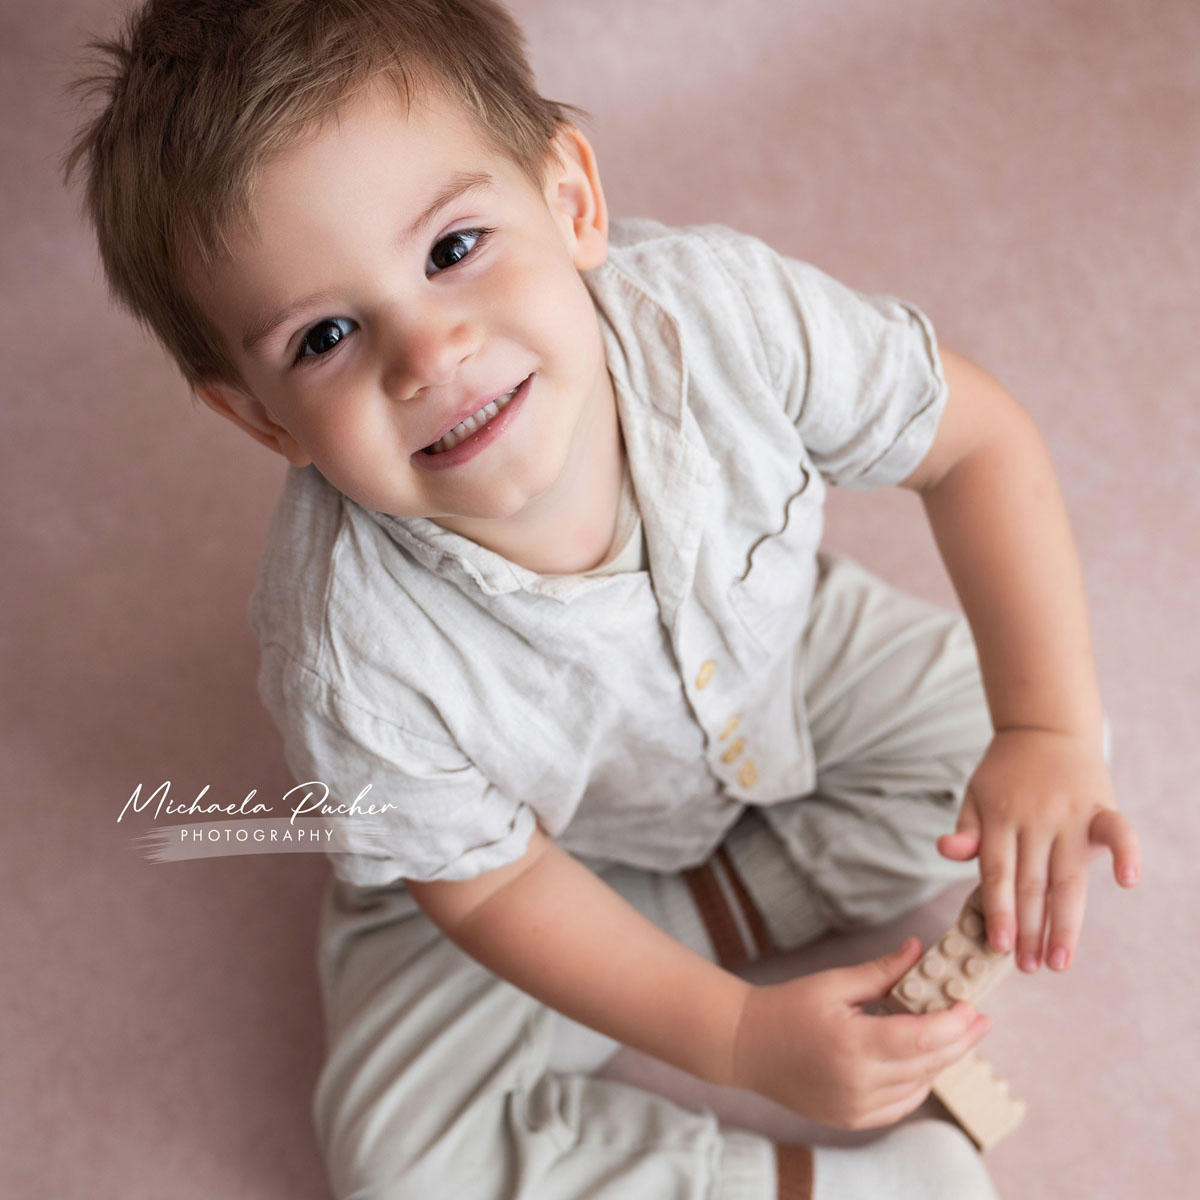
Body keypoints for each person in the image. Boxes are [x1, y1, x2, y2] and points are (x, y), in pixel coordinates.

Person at [64, 2, 1142, 1197]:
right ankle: (858, 1178)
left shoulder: (723, 317)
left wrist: (1041, 730)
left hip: (784, 671)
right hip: (511, 859)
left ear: (570, 199)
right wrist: (737, 1035)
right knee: (404, 1165)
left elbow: (974, 444)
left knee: (1033, 749)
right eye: (326, 335)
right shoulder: (346, 651)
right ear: (262, 417)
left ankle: (692, 914)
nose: (428, 355)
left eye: (453, 248)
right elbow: (492, 885)